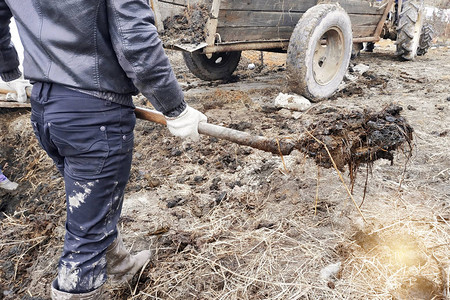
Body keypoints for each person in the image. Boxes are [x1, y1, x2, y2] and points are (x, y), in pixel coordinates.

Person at [0, 1, 207, 299]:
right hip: (93, 114)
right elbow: (135, 39)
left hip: (45, 111)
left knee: (92, 202)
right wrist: (175, 107)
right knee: (85, 238)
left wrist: (9, 71)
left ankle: (121, 265)